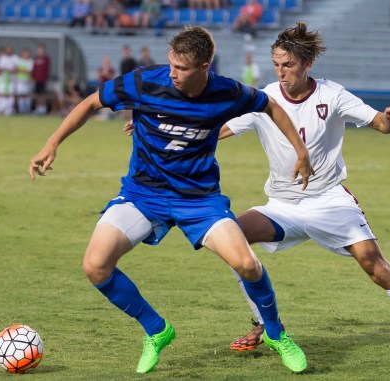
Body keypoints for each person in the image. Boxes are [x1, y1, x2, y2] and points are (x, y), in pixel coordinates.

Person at [29, 26, 312, 374]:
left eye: (182, 69)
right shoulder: (145, 81)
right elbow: (91, 102)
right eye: (171, 65)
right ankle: (156, 330)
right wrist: (52, 142)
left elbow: (269, 105)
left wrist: (300, 151)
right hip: (144, 194)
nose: (173, 74)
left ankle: (275, 333)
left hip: (199, 199)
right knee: (95, 265)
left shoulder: (227, 92)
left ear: (204, 67)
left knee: (248, 265)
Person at [217, 22, 390, 363]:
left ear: (306, 64)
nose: (281, 72)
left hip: (329, 200)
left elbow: (382, 125)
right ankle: (266, 324)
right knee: (231, 239)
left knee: (376, 267)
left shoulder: (333, 95)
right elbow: (219, 130)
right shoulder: (264, 98)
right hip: (283, 205)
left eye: (289, 65)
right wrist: (167, 132)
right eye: (277, 65)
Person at [32, 44, 50, 115]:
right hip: (36, 79)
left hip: (43, 80)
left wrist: (46, 78)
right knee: (37, 94)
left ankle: (43, 108)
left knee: (42, 94)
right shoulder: (35, 59)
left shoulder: (46, 59)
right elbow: (34, 69)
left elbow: (47, 70)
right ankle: (38, 108)